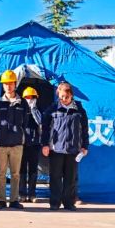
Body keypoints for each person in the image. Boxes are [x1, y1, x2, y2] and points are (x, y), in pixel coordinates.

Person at [40, 81, 88, 212]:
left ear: (71, 95)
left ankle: (69, 203)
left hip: (73, 149)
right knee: (55, 177)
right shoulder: (52, 109)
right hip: (56, 149)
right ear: (58, 95)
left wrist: (85, 146)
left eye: (66, 97)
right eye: (61, 97)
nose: (64, 99)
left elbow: (84, 129)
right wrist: (45, 144)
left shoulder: (79, 110)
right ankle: (55, 203)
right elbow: (45, 128)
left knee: (70, 178)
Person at [0, 70, 27, 210]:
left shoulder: (22, 103)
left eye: (11, 83)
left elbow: (25, 122)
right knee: (0, 174)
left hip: (17, 144)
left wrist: (18, 133)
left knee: (15, 174)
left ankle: (14, 200)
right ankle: (1, 200)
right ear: (2, 85)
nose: (8, 86)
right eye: (5, 83)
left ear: (15, 84)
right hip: (1, 144)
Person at [19, 87, 42, 203]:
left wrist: (33, 110)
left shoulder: (38, 110)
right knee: (21, 170)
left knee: (33, 171)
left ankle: (32, 194)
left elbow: (41, 123)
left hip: (35, 144)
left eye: (32, 97)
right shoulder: (20, 110)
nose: (30, 99)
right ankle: (22, 194)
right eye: (27, 97)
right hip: (22, 144)